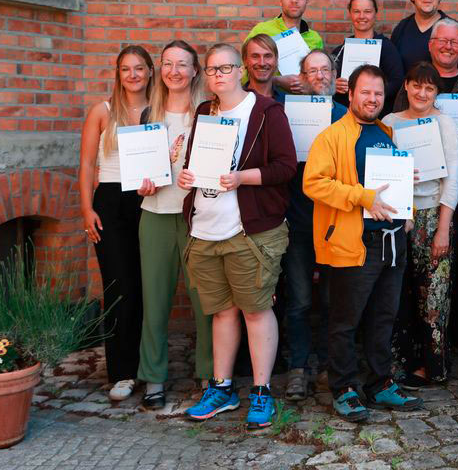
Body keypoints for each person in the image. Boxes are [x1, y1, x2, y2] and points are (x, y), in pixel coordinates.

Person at [178, 44, 297, 430]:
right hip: (206, 228)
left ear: (239, 70)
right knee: (222, 312)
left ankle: (262, 392)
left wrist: (242, 178)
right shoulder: (203, 112)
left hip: (249, 230)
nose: (218, 75)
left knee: (256, 309)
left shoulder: (265, 112)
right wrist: (185, 176)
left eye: (225, 68)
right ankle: (223, 387)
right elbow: (194, 162)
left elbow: (285, 168)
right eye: (211, 70)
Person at [303, 65, 423, 422]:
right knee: (345, 320)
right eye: (365, 92)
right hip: (353, 243)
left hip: (391, 244)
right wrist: (363, 197)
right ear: (351, 94)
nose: (372, 99)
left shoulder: (387, 133)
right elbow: (314, 183)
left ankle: (380, 382)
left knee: (384, 318)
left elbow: (395, 185)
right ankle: (343, 387)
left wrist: (408, 210)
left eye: (378, 94)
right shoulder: (332, 137)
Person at [135, 40, 214, 410]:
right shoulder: (148, 114)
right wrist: (142, 182)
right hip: (154, 215)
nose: (175, 71)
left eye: (182, 64)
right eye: (167, 64)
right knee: (155, 301)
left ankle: (210, 372)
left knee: (206, 301)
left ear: (195, 70)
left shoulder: (207, 114)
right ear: (159, 69)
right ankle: (153, 376)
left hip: (197, 217)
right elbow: (139, 170)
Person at [383, 63, 458, 388]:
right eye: (416, 86)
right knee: (397, 296)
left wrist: (443, 228)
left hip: (434, 217)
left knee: (433, 298)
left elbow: (453, 180)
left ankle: (433, 367)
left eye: (429, 88)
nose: (421, 93)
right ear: (406, 86)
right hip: (397, 217)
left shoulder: (444, 124)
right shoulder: (389, 123)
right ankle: (400, 364)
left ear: (436, 93)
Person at [79, 45, 153, 401]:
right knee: (118, 286)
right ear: (118, 74)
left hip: (149, 198)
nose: (133, 75)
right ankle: (122, 371)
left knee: (148, 286)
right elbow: (85, 164)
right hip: (109, 201)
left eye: (140, 68)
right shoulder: (103, 111)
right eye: (126, 69)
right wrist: (85, 209)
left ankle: (148, 366)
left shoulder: (161, 110)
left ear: (150, 72)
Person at [279, 49, 347, 402]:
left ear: (334, 75)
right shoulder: (287, 115)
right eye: (312, 71)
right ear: (302, 78)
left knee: (334, 301)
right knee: (301, 300)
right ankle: (298, 367)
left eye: (325, 70)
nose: (318, 76)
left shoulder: (345, 116)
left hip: (336, 223)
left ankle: (327, 365)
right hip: (299, 221)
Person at [392, 19, 458, 119]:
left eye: (454, 42)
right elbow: (398, 120)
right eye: (442, 40)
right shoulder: (413, 82)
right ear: (430, 45)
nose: (448, 46)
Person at [244, 0, 325, 93]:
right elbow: (245, 71)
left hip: (304, 105)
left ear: (307, 1)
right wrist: (276, 80)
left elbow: (320, 78)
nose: (294, 0)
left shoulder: (315, 38)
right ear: (280, 0)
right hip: (269, 101)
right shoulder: (261, 31)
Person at [333, 0, 405, 107]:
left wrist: (375, 91)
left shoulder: (387, 48)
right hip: (345, 116)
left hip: (375, 115)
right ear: (350, 14)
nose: (362, 16)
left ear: (375, 14)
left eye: (367, 12)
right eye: (357, 11)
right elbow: (325, 84)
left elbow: (397, 82)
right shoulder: (340, 50)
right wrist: (333, 85)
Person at [242, 34, 284, 103]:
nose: (262, 63)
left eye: (267, 56)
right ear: (245, 61)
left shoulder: (287, 103)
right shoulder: (234, 101)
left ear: (276, 60)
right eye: (255, 56)